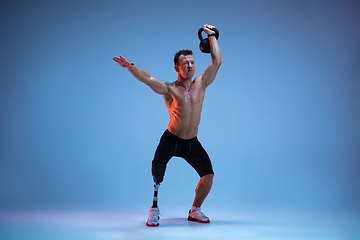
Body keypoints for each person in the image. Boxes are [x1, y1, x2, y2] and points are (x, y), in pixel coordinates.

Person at [113, 24, 222, 227]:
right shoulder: (168, 89)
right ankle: (154, 210)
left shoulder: (202, 83)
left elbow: (217, 61)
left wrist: (213, 37)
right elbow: (147, 79)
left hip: (192, 142)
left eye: (192, 62)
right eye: (185, 63)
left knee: (208, 177)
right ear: (177, 68)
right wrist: (130, 67)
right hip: (171, 140)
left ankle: (194, 210)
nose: (190, 66)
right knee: (157, 174)